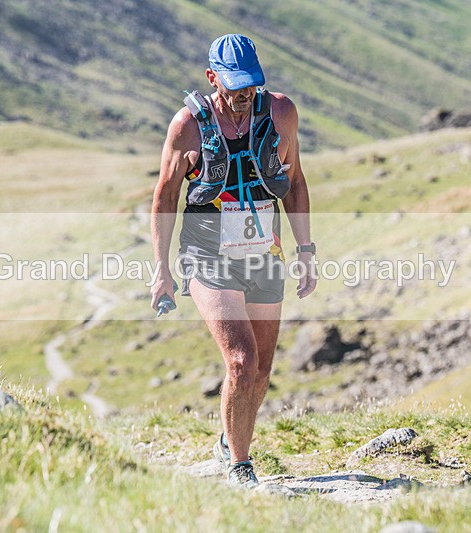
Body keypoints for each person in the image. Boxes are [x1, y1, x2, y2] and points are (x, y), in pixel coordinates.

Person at [150, 34, 316, 488]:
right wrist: (162, 270)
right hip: (207, 253)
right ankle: (240, 467)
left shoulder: (281, 112)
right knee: (241, 360)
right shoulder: (187, 126)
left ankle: (228, 440)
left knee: (261, 368)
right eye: (235, 84)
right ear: (211, 78)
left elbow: (296, 181)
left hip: (264, 253)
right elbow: (164, 198)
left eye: (252, 84)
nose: (245, 94)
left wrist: (306, 251)